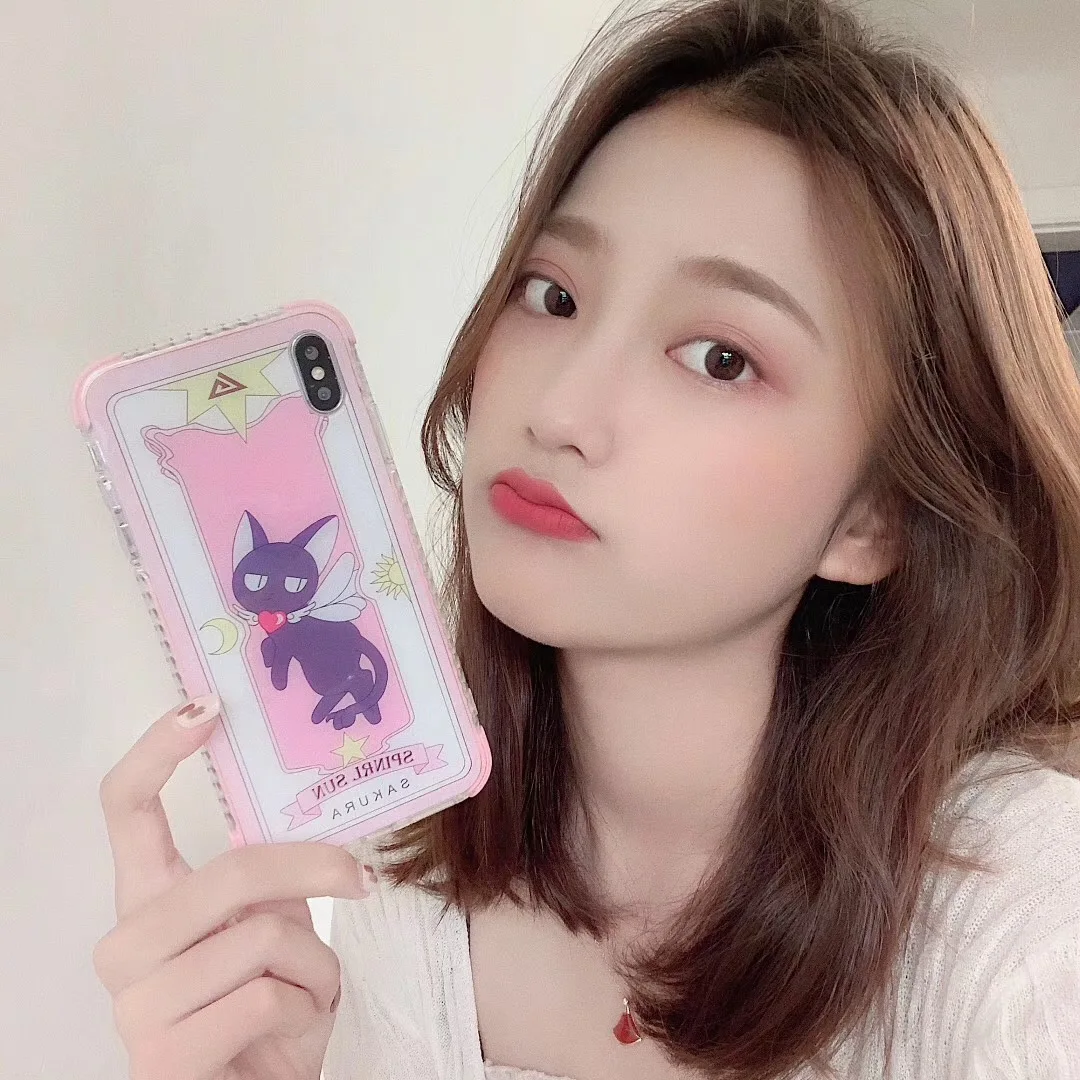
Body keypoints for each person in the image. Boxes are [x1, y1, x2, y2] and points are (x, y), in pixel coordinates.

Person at [91, 1, 1080, 1078]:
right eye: (552, 294)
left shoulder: (1030, 920)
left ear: (870, 518)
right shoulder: (398, 882)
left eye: (719, 358)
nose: (560, 408)